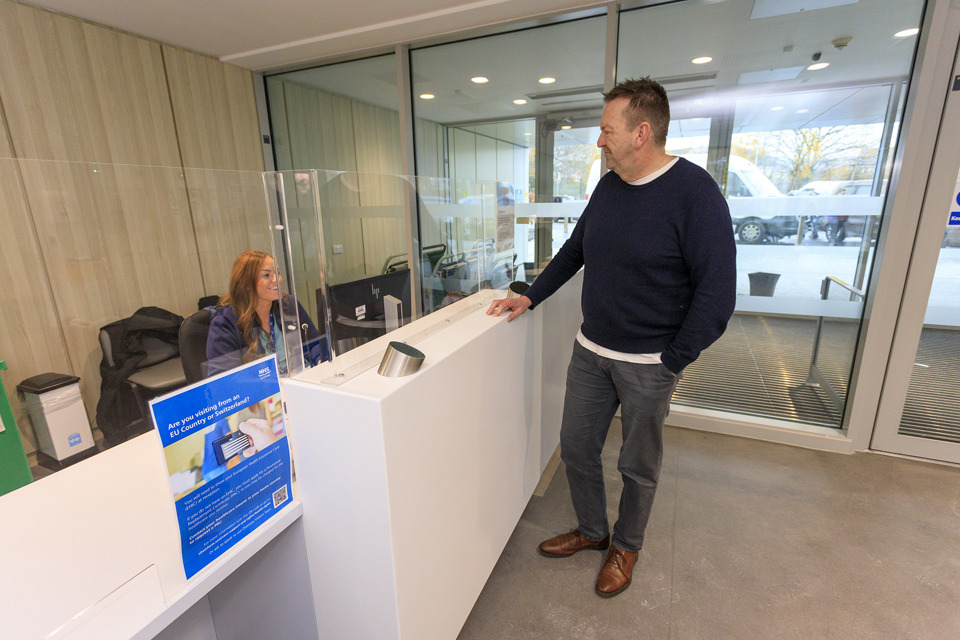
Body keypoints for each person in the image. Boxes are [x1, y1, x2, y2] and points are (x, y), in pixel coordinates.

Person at [487, 77, 736, 598]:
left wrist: (673, 360)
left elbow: (717, 295)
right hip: (591, 351)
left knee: (636, 466)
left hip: (650, 363)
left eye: (606, 130)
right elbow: (575, 249)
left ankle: (626, 545)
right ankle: (593, 531)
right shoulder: (609, 186)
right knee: (577, 448)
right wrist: (530, 295)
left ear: (641, 132)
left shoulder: (695, 194)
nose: (599, 141)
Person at [206, 250, 329, 376]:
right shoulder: (226, 322)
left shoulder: (288, 305)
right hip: (264, 392)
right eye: (266, 275)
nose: (278, 280)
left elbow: (314, 343)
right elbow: (222, 378)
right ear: (246, 284)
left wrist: (319, 360)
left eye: (278, 273)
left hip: (299, 381)